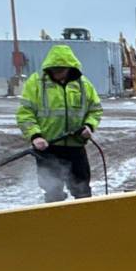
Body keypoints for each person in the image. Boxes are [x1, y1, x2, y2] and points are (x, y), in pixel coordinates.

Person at [16, 44, 102, 202]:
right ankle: (55, 222)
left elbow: (95, 110)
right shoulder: (36, 83)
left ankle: (84, 221)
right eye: (55, 71)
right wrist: (35, 136)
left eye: (61, 71)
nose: (58, 75)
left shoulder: (83, 85)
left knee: (82, 189)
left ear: (70, 68)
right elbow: (25, 114)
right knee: (52, 190)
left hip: (75, 146)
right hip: (48, 147)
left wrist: (89, 126)